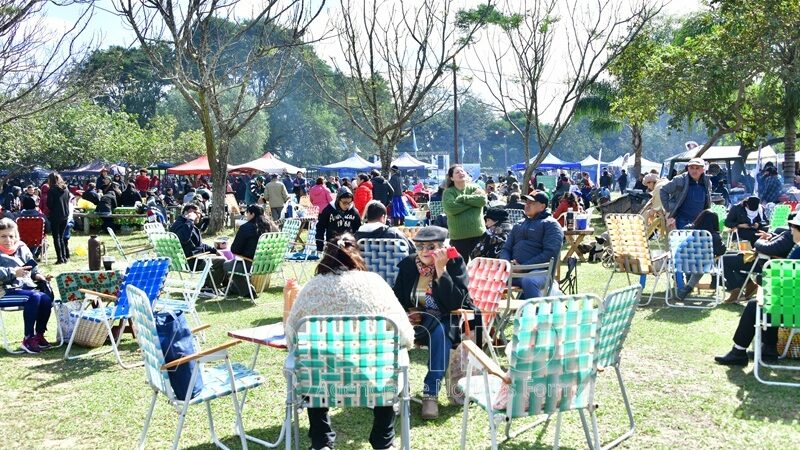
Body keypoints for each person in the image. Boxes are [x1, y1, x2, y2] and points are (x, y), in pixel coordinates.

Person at [285, 232, 414, 450]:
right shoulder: (376, 284)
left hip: (322, 381)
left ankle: (321, 441)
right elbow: (405, 334)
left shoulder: (311, 288)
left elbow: (292, 337)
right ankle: (383, 441)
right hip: (374, 378)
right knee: (387, 362)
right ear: (357, 255)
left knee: (312, 359)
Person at [392, 226, 476, 420]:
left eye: (431, 246)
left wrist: (441, 269)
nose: (423, 251)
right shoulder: (408, 265)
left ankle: (430, 393)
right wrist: (408, 312)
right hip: (415, 324)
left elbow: (457, 303)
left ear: (442, 247)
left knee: (439, 330)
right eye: (419, 246)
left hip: (448, 320)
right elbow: (397, 298)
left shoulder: (455, 263)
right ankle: (392, 389)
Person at [714, 216, 800, 366]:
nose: (791, 230)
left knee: (757, 305)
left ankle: (738, 352)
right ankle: (769, 350)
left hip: (793, 310)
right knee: (772, 301)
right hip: (791, 304)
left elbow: (784, 280)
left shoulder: (797, 251)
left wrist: (765, 279)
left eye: (793, 227)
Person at [0, 218, 54, 353]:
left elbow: (33, 269)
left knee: (46, 298)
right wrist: (14, 272)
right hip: (4, 292)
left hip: (25, 289)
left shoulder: (22, 247)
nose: (8, 240)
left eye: (11, 236)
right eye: (3, 236)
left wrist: (39, 276)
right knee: (34, 297)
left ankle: (39, 335)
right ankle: (28, 338)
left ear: (16, 235)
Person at [499, 191, 564, 299]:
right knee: (485, 278)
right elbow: (506, 248)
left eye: (532, 202)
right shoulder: (519, 224)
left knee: (529, 281)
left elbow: (550, 253)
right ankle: (485, 315)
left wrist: (523, 267)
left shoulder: (551, 224)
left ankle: (537, 314)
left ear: (542, 206)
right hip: (513, 271)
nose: (527, 205)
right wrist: (507, 265)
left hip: (540, 272)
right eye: (526, 202)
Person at [224, 204, 278, 298]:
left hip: (251, 264)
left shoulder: (246, 227)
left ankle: (247, 291)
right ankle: (232, 288)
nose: (246, 216)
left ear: (252, 214)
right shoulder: (272, 227)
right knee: (236, 267)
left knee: (227, 265)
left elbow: (235, 250)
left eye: (247, 213)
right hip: (270, 264)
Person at [169, 204, 225, 288]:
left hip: (190, 260)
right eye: (198, 213)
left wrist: (214, 250)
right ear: (191, 213)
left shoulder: (185, 224)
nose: (200, 216)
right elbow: (184, 238)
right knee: (222, 262)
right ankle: (209, 287)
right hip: (190, 262)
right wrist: (190, 219)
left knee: (221, 259)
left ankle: (213, 286)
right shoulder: (181, 225)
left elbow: (199, 245)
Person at [675, 209, 727, 300]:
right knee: (705, 262)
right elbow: (721, 251)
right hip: (701, 265)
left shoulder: (687, 231)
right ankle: (691, 286)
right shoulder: (713, 236)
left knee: (700, 261)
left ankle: (687, 286)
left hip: (681, 263)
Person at [442, 164, 486, 261]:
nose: (461, 173)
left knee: (479, 267)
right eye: (457, 172)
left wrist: (462, 198)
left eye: (462, 171)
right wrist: (472, 203)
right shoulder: (448, 192)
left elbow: (482, 201)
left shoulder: (476, 187)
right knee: (459, 268)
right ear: (451, 178)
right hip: (458, 238)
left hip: (478, 235)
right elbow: (451, 209)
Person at [659, 158, 712, 230]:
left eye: (697, 168)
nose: (694, 170)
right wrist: (668, 207)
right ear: (688, 169)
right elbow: (663, 190)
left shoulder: (707, 182)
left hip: (700, 220)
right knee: (684, 241)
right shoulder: (679, 180)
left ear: (703, 169)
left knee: (698, 241)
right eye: (692, 168)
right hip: (682, 220)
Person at [315, 187, 362, 252]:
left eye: (349, 202)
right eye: (344, 203)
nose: (347, 205)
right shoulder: (329, 210)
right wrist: (320, 247)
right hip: (332, 245)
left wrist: (357, 246)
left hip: (349, 246)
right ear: (338, 200)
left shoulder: (354, 211)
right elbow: (320, 228)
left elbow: (358, 230)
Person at [45, 172, 70, 264]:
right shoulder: (66, 189)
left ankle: (60, 258)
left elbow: (49, 204)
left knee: (56, 237)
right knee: (62, 237)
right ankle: (64, 257)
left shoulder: (52, 190)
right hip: (65, 215)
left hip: (56, 215)